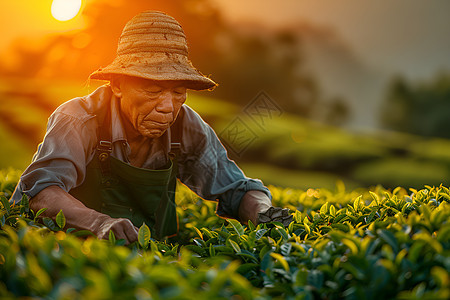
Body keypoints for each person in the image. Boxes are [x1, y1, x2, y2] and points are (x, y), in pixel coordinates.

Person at [11, 11, 290, 243]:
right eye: (153, 89)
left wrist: (263, 210)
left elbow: (236, 188)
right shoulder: (79, 119)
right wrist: (99, 223)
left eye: (179, 92)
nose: (169, 106)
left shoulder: (186, 125)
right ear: (118, 85)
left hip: (153, 267)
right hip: (78, 261)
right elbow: (41, 192)